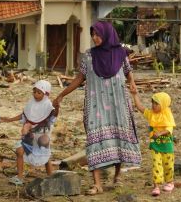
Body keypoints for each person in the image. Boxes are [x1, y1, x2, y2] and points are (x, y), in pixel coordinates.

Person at [53, 21, 141, 195]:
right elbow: (80, 78)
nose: (94, 38)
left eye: (98, 34)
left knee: (117, 139)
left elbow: (128, 73)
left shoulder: (121, 54)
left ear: (107, 34)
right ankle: (97, 184)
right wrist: (61, 94)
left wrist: (132, 84)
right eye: (92, 34)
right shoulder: (89, 56)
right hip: (96, 106)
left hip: (118, 104)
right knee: (95, 142)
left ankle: (117, 176)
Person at [2, 80, 58, 186]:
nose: (36, 95)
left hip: (41, 135)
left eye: (39, 93)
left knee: (45, 156)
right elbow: (24, 115)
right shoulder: (31, 103)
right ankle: (19, 177)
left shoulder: (48, 106)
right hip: (29, 134)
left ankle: (51, 177)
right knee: (19, 151)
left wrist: (57, 106)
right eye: (34, 92)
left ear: (45, 93)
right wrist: (9, 119)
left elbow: (53, 116)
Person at [131, 91, 176, 196]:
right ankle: (156, 186)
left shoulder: (167, 114)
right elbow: (140, 108)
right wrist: (135, 95)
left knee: (168, 165)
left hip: (167, 145)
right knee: (156, 165)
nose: (153, 106)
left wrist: (160, 134)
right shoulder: (151, 114)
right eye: (152, 103)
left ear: (163, 104)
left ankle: (170, 182)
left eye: (156, 103)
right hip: (155, 145)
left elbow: (169, 129)